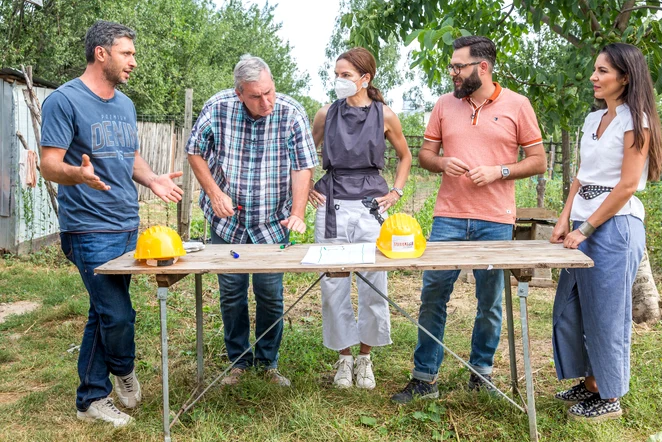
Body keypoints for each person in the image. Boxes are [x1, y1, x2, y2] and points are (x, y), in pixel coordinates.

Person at [40, 21, 184, 427]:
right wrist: (78, 175)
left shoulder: (124, 103)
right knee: (118, 315)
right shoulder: (64, 101)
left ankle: (92, 392)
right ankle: (114, 376)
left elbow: (129, 153)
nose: (133, 61)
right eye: (127, 53)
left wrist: (151, 177)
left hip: (125, 224)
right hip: (87, 226)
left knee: (103, 311)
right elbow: (49, 164)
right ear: (101, 53)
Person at [391, 35, 547, 403]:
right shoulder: (444, 105)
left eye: (458, 66)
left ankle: (481, 374)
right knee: (433, 296)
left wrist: (500, 171)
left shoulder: (518, 105)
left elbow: (538, 160)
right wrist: (443, 162)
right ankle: (425, 379)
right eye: (451, 66)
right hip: (447, 217)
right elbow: (426, 155)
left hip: (495, 220)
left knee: (490, 302)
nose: (453, 73)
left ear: (483, 67)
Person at [186, 55, 317, 387]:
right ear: (239, 92)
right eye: (256, 96)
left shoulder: (291, 112)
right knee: (232, 292)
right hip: (227, 225)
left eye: (269, 92)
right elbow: (194, 150)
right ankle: (239, 362)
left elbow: (303, 165)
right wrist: (214, 193)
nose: (266, 101)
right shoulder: (217, 108)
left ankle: (268, 362)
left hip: (272, 223)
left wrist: (298, 213)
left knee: (270, 293)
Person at [549, 43, 662, 421]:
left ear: (625, 77)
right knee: (570, 308)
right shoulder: (591, 119)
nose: (593, 77)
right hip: (581, 224)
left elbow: (628, 184)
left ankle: (608, 393)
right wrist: (565, 218)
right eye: (595, 70)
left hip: (614, 227)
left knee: (607, 314)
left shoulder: (637, 119)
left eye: (602, 71)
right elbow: (581, 177)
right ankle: (589, 381)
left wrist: (586, 227)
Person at [308, 47, 411, 389]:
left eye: (346, 75)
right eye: (336, 74)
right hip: (331, 203)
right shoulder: (325, 113)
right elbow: (305, 153)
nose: (339, 80)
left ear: (365, 79)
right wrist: (306, 186)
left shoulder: (386, 115)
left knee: (372, 283)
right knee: (333, 285)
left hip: (371, 206)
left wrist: (395, 191)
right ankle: (344, 359)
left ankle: (365, 359)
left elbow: (405, 155)